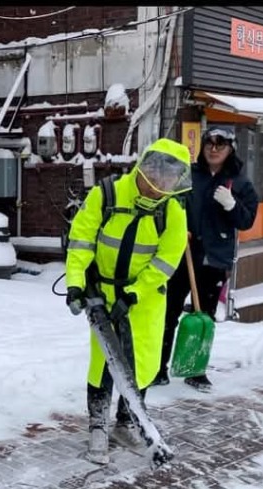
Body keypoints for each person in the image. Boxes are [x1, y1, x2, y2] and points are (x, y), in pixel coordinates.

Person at [65, 138, 192, 465]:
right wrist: (77, 284)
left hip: (145, 298)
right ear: (145, 170)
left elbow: (166, 262)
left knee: (142, 362)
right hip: (102, 293)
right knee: (102, 363)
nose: (157, 191)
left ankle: (128, 419)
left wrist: (135, 293)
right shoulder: (106, 194)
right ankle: (97, 424)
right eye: (154, 183)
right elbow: (81, 240)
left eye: (165, 186)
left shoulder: (173, 213)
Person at [156, 127, 259, 392]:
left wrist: (232, 205)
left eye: (220, 144)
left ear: (231, 148)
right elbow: (169, 203)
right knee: (169, 313)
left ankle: (195, 369)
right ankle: (158, 368)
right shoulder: (189, 175)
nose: (214, 149)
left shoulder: (240, 182)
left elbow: (246, 221)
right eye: (209, 143)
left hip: (215, 259)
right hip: (184, 254)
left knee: (205, 317)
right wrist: (179, 227)